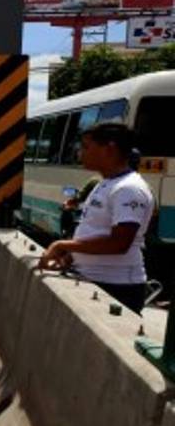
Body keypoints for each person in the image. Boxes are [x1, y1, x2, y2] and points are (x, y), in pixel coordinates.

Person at [38, 122, 155, 314]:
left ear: (109, 149)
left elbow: (119, 243)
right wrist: (69, 258)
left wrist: (62, 245)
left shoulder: (128, 188)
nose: (80, 153)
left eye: (86, 147)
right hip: (94, 280)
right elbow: (95, 231)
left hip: (116, 288)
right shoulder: (105, 184)